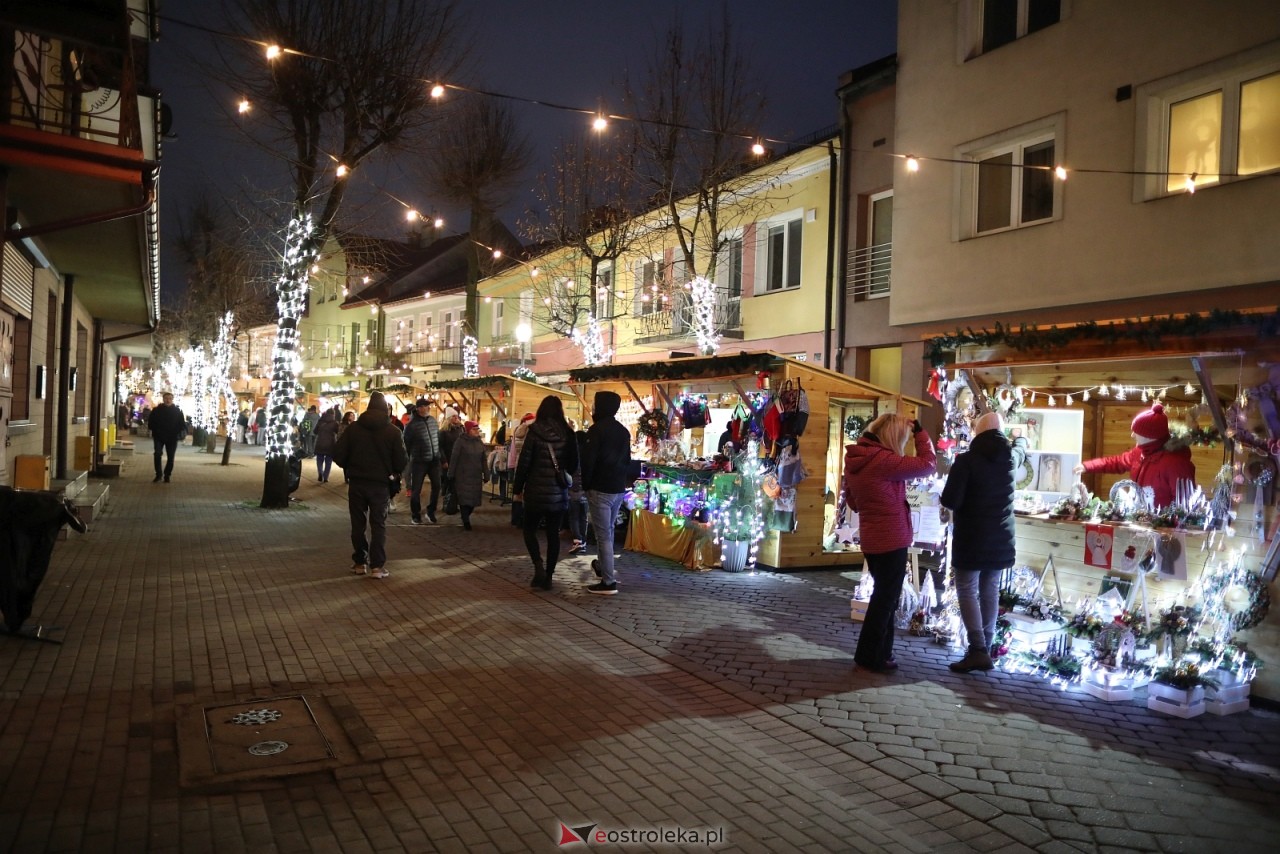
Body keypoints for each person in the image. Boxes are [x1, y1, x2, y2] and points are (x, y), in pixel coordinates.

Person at [843, 413, 936, 673]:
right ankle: (871, 656)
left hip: (872, 539)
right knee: (885, 601)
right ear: (894, 437)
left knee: (884, 598)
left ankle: (880, 653)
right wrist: (920, 432)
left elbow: (852, 501)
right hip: (891, 538)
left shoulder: (856, 458)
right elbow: (928, 464)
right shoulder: (884, 460)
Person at [940, 411, 1028, 673]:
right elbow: (1021, 449)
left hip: (972, 538)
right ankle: (986, 649)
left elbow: (950, 500)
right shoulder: (1010, 458)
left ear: (977, 433)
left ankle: (977, 649)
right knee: (990, 589)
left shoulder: (966, 461)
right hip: (1001, 539)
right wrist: (1021, 438)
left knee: (967, 588)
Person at [332, 392, 408, 579]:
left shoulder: (354, 429)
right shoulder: (393, 431)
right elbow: (401, 461)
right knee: (378, 524)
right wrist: (392, 471)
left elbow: (338, 454)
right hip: (380, 485)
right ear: (385, 410)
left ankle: (359, 562)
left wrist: (350, 466)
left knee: (357, 524)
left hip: (357, 482)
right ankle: (377, 567)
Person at [1072, 403, 1195, 509]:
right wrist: (1087, 466)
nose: (1132, 435)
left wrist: (1168, 526)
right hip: (1139, 519)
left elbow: (1184, 503)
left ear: (1150, 436)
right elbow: (1117, 462)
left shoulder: (1176, 463)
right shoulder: (1139, 452)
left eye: (1136, 433)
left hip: (1163, 528)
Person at [512, 396, 579, 590]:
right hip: (558, 494)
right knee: (553, 534)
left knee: (529, 530)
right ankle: (549, 576)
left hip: (535, 491)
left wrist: (517, 489)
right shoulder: (568, 433)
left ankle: (538, 566)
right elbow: (574, 465)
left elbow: (524, 463)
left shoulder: (534, 432)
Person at [581, 391, 633, 595]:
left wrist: (586, 485)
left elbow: (589, 461)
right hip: (618, 488)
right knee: (608, 531)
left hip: (600, 487)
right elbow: (627, 461)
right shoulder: (623, 431)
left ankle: (608, 581)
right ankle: (603, 568)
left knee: (603, 535)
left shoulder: (596, 431)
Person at [403, 397, 441, 524]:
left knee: (437, 486)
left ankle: (431, 511)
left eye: (428, 406)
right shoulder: (411, 426)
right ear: (419, 408)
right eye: (425, 406)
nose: (428, 408)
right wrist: (408, 460)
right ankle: (415, 514)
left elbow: (438, 441)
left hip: (434, 460)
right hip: (419, 461)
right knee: (416, 490)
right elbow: (406, 445)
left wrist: (441, 457)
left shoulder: (433, 421)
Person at [449, 420, 488, 530]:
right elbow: (454, 458)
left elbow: (483, 459)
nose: (476, 431)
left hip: (475, 475)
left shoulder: (479, 442)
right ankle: (465, 519)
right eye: (474, 429)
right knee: (464, 499)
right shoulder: (460, 442)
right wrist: (451, 473)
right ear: (468, 430)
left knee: (473, 501)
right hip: (462, 475)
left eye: (477, 429)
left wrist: (486, 473)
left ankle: (465, 516)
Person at [147, 392, 186, 483]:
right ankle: (158, 474)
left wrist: (179, 433)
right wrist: (155, 430)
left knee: (171, 457)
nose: (168, 400)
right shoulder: (156, 410)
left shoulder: (177, 411)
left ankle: (167, 475)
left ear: (172, 399)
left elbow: (182, 424)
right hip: (159, 437)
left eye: (169, 398)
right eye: (166, 398)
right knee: (157, 454)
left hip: (172, 438)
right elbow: (151, 422)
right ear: (163, 399)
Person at [507, 412, 535, 526]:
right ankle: (525, 520)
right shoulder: (533, 431)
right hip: (530, 465)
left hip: (519, 464)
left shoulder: (517, 431)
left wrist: (511, 464)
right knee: (528, 493)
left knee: (517, 493)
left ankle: (516, 518)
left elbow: (513, 451)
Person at [566, 426, 589, 554]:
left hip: (572, 489)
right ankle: (583, 542)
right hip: (585, 489)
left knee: (573, 517)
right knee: (583, 517)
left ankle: (577, 541)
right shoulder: (588, 454)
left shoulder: (571, 454)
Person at [313, 408, 339, 483]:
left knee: (319, 460)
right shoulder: (335, 423)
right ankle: (325, 477)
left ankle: (320, 472)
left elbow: (315, 432)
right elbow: (338, 432)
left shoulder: (320, 421)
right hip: (330, 444)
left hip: (320, 443)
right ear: (333, 414)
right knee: (328, 461)